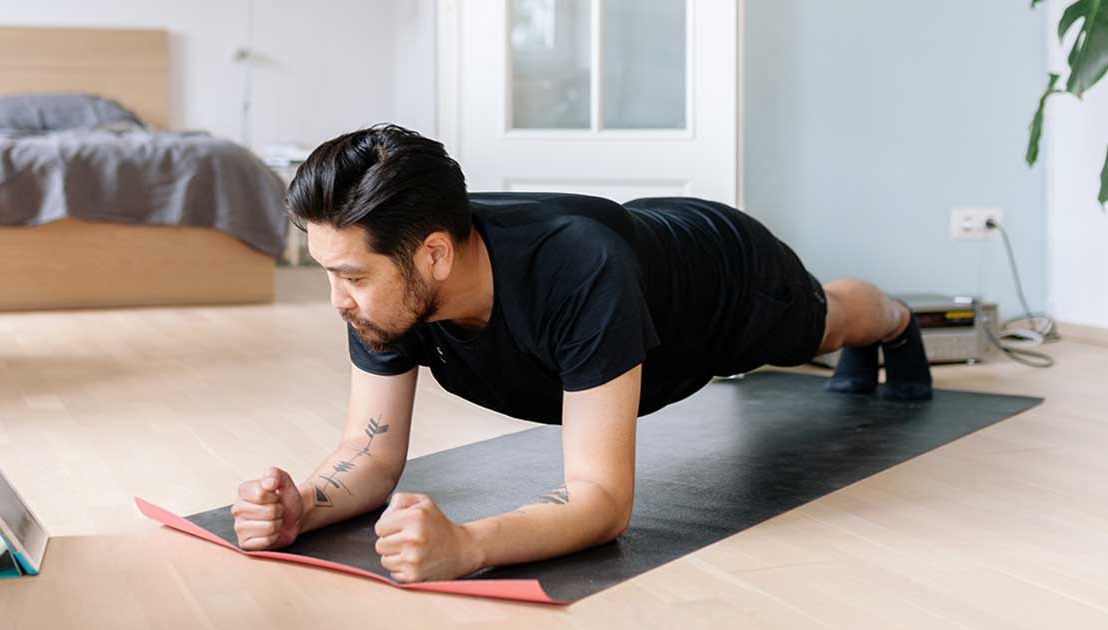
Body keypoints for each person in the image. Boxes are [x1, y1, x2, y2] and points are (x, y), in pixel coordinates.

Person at [229, 124, 931, 583]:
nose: (336, 301)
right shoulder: (393, 278)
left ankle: (898, 320)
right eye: (328, 272)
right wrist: (306, 504)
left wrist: (466, 545)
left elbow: (602, 501)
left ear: (435, 256)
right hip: (639, 246)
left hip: (729, 278)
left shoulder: (574, 270)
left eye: (350, 277)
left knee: (826, 324)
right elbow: (372, 450)